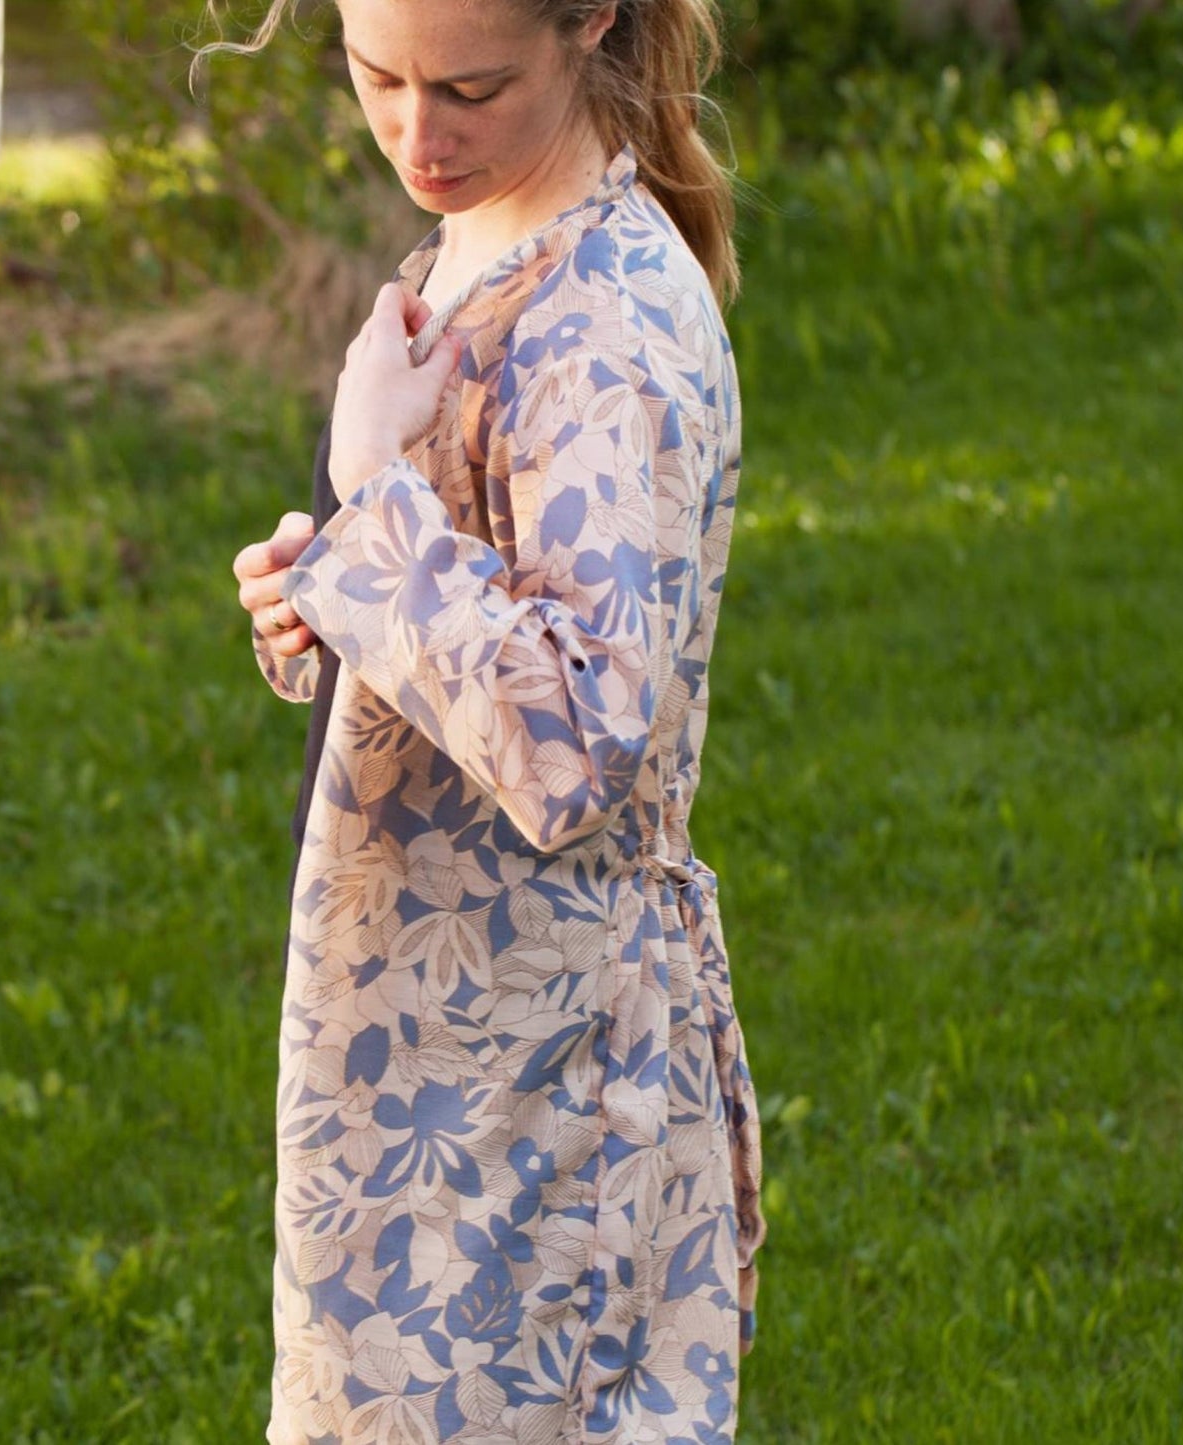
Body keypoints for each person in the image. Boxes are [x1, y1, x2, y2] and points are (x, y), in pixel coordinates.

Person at [229, 0, 765, 1439]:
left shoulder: (608, 327)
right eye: (378, 77)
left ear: (587, 19)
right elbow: (474, 613)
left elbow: (576, 741)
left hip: (537, 1072)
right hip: (416, 1039)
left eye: (470, 87)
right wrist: (324, 587)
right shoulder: (474, 242)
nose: (418, 135)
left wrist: (374, 498)